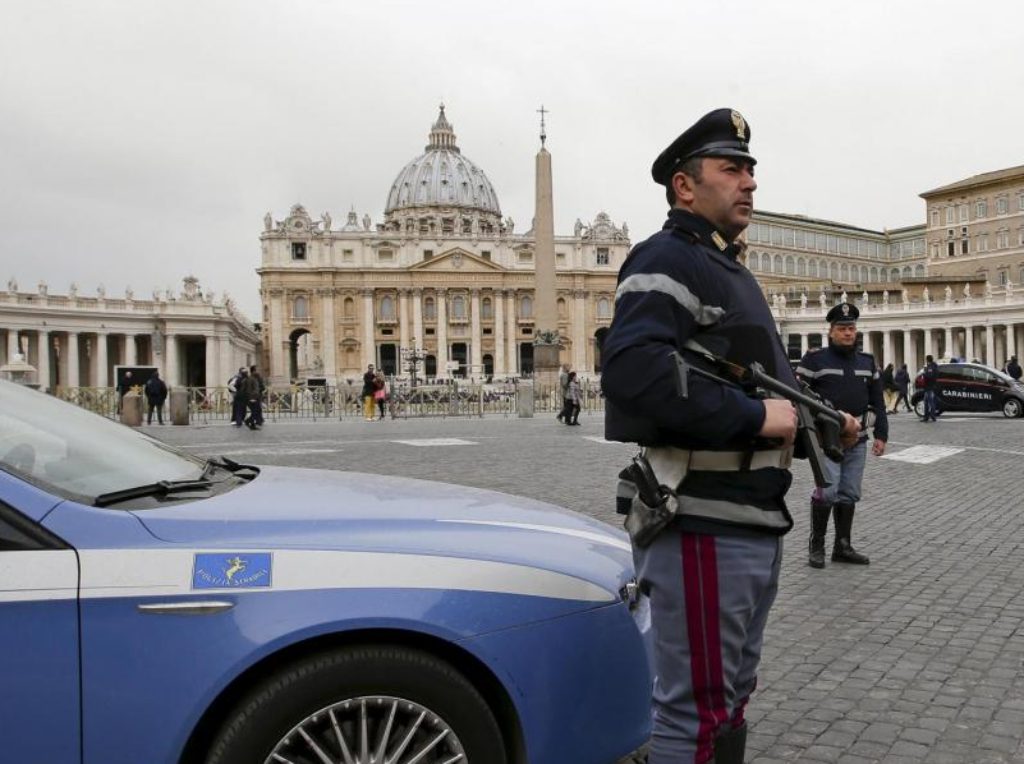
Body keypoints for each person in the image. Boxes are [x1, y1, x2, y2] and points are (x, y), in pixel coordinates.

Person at [601, 108, 858, 763]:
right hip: (703, 518)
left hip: (749, 517)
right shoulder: (667, 257)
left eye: (750, 169)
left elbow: (764, 389)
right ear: (685, 187)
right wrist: (753, 419)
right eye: (732, 168)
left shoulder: (730, 273)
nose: (748, 181)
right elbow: (633, 371)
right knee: (695, 710)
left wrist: (821, 426)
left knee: (730, 699)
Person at [797, 302, 888, 569]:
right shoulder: (814, 360)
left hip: (858, 438)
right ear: (831, 332)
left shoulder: (867, 362)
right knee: (827, 491)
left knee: (849, 492)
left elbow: (878, 401)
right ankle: (817, 546)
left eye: (851, 328)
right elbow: (799, 394)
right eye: (843, 328)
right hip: (827, 439)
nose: (848, 333)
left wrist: (881, 434)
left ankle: (843, 546)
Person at [922, 354, 940, 422]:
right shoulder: (934, 366)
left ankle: (932, 416)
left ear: (927, 359)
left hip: (929, 387)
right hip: (931, 386)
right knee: (927, 402)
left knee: (930, 402)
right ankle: (927, 417)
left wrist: (924, 373)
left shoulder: (930, 367)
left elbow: (929, 376)